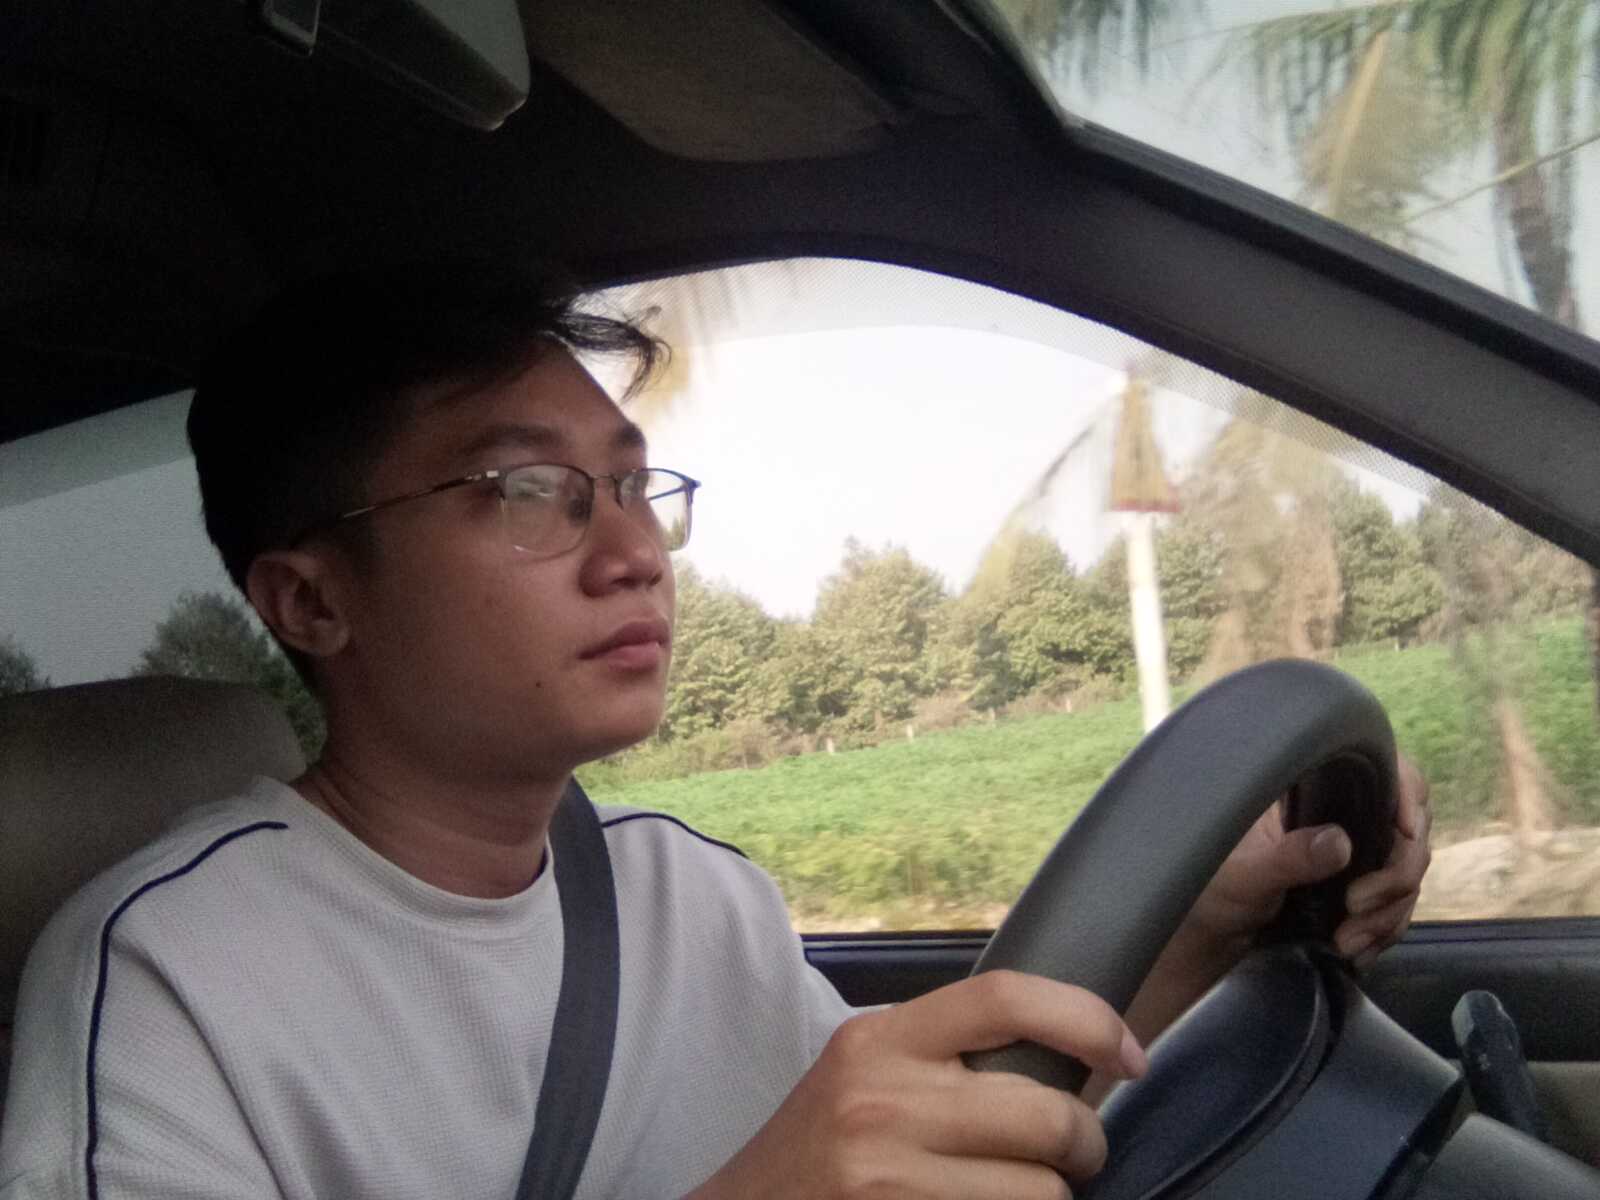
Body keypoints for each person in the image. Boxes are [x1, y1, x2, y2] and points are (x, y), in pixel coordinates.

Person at [0, 264, 1431, 1200]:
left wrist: (1209, 925)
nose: (634, 553)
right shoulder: (166, 976)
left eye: (634, 486)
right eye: (525, 491)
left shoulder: (691, 894)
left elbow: (947, 1132)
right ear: (312, 600)